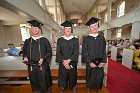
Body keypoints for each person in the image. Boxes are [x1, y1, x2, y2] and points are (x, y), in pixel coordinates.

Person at [23, 20, 52, 93]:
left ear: (39, 29)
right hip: (32, 66)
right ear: (31, 29)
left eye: (36, 28)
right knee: (36, 84)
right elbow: (25, 51)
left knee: (45, 83)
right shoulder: (27, 41)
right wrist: (25, 57)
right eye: (32, 28)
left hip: (43, 66)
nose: (34, 30)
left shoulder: (44, 40)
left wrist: (43, 58)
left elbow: (49, 51)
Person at [82, 17, 107, 93]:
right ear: (89, 28)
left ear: (97, 26)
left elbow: (104, 50)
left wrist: (103, 61)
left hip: (100, 61)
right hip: (91, 61)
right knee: (90, 74)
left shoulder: (102, 38)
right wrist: (90, 62)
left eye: (95, 25)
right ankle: (89, 87)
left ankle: (99, 86)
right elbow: (85, 52)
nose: (94, 28)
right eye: (92, 26)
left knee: (99, 75)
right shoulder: (86, 39)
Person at [56, 20, 79, 93]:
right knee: (63, 75)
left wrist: (69, 61)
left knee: (72, 75)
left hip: (72, 62)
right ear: (64, 30)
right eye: (66, 28)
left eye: (69, 28)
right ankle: (63, 86)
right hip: (63, 62)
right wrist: (64, 61)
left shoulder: (75, 40)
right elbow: (58, 52)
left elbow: (76, 52)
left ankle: (73, 86)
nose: (67, 30)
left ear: (71, 30)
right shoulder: (60, 40)